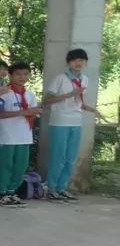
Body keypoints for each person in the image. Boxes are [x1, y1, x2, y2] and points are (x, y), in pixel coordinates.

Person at [43, 48, 100, 201]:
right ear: (69, 62)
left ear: (85, 63)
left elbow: (78, 102)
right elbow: (46, 101)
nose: (79, 63)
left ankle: (62, 188)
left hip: (76, 121)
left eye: (82, 60)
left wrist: (92, 109)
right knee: (58, 156)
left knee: (70, 158)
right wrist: (70, 94)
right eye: (75, 60)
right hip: (60, 121)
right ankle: (51, 188)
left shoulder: (85, 80)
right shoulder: (60, 78)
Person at [0, 62, 40, 207]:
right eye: (18, 74)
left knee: (21, 165)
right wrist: (21, 112)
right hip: (7, 136)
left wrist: (35, 112)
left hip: (24, 136)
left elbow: (32, 112)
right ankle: (1, 192)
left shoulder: (29, 94)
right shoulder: (4, 92)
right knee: (5, 165)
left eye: (25, 74)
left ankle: (12, 191)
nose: (22, 77)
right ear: (10, 75)